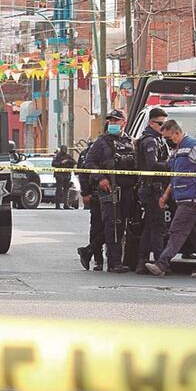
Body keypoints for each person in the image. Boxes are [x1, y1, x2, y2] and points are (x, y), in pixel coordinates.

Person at [145, 120, 196, 278]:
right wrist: (165, 195)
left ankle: (161, 264)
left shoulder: (193, 145)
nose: (167, 141)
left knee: (177, 231)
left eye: (168, 137)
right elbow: (176, 176)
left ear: (176, 133)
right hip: (183, 197)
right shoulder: (176, 150)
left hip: (192, 198)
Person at [83, 109, 136, 273]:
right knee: (112, 226)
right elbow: (89, 163)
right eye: (111, 121)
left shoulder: (131, 142)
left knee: (121, 227)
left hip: (127, 191)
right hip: (109, 190)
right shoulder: (102, 142)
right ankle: (114, 263)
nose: (113, 124)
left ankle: (89, 250)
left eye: (116, 121)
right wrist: (101, 178)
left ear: (124, 123)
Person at [134, 107, 170, 274]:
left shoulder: (157, 139)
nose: (163, 127)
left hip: (152, 187)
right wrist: (171, 165)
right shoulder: (150, 140)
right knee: (157, 227)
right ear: (151, 123)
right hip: (152, 189)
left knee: (149, 227)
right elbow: (152, 165)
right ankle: (159, 262)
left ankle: (142, 262)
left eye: (165, 124)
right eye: (160, 124)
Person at [75, 142, 104, 271]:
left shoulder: (120, 144)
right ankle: (97, 260)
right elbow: (83, 173)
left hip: (112, 192)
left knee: (111, 227)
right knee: (97, 227)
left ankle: (88, 251)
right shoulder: (89, 152)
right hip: (96, 194)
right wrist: (85, 193)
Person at [51, 145, 76, 209]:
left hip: (67, 175)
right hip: (59, 176)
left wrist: (68, 161)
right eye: (63, 149)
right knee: (59, 190)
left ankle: (66, 204)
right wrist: (61, 163)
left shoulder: (68, 156)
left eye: (65, 149)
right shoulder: (58, 156)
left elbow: (74, 162)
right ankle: (57, 205)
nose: (64, 150)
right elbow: (53, 164)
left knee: (66, 191)